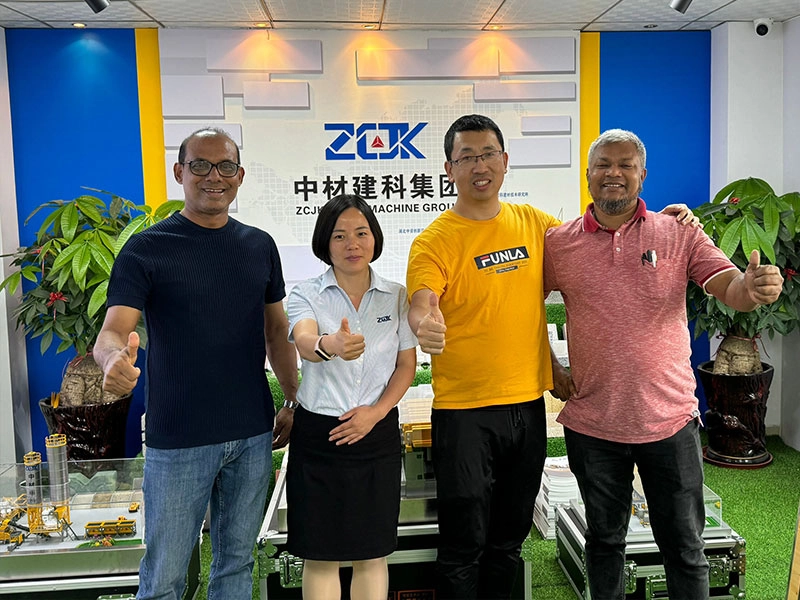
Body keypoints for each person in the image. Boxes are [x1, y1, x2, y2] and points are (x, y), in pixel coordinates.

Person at [406, 114, 701, 600]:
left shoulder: (537, 226)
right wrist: (425, 323)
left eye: (488, 155)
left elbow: (598, 237)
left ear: (505, 162)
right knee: (463, 544)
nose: (479, 166)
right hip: (464, 412)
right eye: (466, 157)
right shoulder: (435, 239)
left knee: (509, 541)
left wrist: (672, 221)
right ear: (448, 168)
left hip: (527, 408)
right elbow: (423, 301)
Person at [543, 128, 784, 600]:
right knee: (604, 542)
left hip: (669, 420)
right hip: (594, 423)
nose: (613, 173)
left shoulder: (678, 231)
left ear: (643, 175)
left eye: (625, 165)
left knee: (685, 547)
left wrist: (752, 288)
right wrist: (551, 366)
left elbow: (730, 287)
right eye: (603, 164)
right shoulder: (559, 243)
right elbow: (522, 307)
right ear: (588, 175)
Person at [94, 127, 299, 600]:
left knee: (236, 566)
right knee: (165, 576)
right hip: (178, 438)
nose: (214, 177)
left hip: (251, 434)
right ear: (179, 172)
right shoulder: (147, 248)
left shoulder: (259, 245)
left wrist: (292, 400)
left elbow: (276, 331)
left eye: (226, 166)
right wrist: (110, 362)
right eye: (200, 165)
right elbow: (113, 331)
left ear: (240, 176)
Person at [285, 194, 417, 600]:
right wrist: (332, 344)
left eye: (361, 233)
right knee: (320, 556)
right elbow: (304, 340)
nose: (352, 244)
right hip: (319, 437)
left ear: (375, 238)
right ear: (325, 243)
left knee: (372, 553)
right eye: (339, 236)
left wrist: (376, 413)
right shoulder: (306, 293)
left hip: (376, 435)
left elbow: (406, 366)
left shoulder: (396, 296)